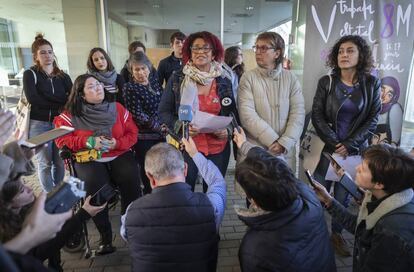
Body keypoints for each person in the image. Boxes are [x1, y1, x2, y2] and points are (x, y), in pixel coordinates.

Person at [54, 74, 141, 255]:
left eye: (99, 84)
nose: (99, 88)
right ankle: (105, 237)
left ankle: (131, 226)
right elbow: (61, 139)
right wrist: (89, 142)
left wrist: (117, 143)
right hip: (88, 157)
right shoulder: (69, 116)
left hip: (118, 152)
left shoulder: (117, 108)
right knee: (95, 190)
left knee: (131, 178)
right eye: (92, 86)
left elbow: (133, 133)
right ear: (81, 94)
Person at [311, 35, 381, 256]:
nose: (344, 55)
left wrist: (350, 144)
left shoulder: (371, 83)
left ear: (361, 55)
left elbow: (373, 118)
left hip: (353, 152)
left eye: (350, 51)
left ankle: (337, 235)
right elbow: (317, 115)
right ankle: (314, 233)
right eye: (341, 51)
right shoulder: (327, 82)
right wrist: (334, 143)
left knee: (342, 196)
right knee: (318, 191)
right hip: (325, 149)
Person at [232, 127, 336, 272]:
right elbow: (273, 165)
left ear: (253, 201)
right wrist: (244, 145)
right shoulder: (308, 197)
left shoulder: (254, 249)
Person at [121, 137, 226, 272]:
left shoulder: (131, 213)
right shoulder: (210, 207)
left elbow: (126, 235)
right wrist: (194, 154)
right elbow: (218, 182)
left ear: (149, 177)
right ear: (185, 169)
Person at [313, 144, 414, 271]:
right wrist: (328, 200)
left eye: (363, 169)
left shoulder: (392, 232)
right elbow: (360, 227)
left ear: (379, 184)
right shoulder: (378, 197)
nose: (357, 168)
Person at [159, 31, 238, 192]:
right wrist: (182, 128)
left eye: (205, 48)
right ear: (189, 52)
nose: (200, 52)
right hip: (188, 147)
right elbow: (163, 112)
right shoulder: (178, 78)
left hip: (219, 149)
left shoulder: (224, 79)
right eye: (195, 48)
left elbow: (234, 114)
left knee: (214, 192)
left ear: (214, 53)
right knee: (185, 191)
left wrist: (228, 130)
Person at [0, 179, 106, 271]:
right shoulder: (7, 233)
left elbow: (54, 240)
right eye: (22, 191)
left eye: (25, 183)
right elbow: (40, 253)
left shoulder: (28, 206)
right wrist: (83, 215)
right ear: (7, 203)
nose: (30, 189)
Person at [237, 32, 305, 170]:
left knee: (282, 188)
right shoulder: (248, 77)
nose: (258, 52)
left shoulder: (290, 79)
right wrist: (273, 141)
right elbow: (247, 115)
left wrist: (284, 142)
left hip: (284, 151)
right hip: (256, 148)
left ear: (277, 53)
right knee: (255, 188)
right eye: (256, 47)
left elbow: (298, 114)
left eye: (264, 48)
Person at [23, 34, 73, 192]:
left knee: (59, 162)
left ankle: (56, 192)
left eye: (50, 52)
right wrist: (59, 101)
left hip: (60, 124)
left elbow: (71, 98)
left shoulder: (63, 76)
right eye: (43, 52)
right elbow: (33, 99)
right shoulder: (30, 74)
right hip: (39, 124)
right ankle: (48, 197)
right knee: (45, 163)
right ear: (35, 56)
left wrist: (50, 99)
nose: (47, 55)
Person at [123, 52, 164, 194]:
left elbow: (163, 105)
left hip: (160, 134)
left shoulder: (155, 83)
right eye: (137, 69)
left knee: (160, 166)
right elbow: (138, 114)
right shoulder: (130, 88)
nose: (141, 73)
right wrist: (158, 127)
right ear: (131, 71)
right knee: (147, 168)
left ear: (149, 67)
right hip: (143, 137)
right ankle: (149, 194)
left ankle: (160, 193)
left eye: (144, 68)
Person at [370, 76, 403, 146]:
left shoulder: (395, 108)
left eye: (389, 94)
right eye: (382, 90)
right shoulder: (371, 103)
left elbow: (394, 139)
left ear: (393, 98)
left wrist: (391, 153)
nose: (383, 96)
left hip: (385, 151)